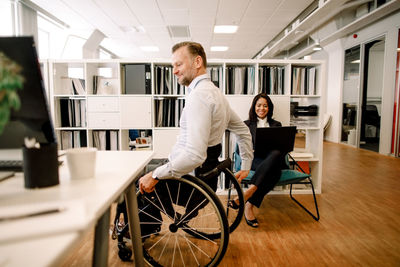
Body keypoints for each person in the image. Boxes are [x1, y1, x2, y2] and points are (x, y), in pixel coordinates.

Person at [139, 41, 253, 202]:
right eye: (173, 66)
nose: (174, 71)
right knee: (145, 165)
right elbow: (243, 131)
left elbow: (195, 156)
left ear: (197, 62)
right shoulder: (216, 94)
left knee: (134, 178)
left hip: (188, 182)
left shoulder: (199, 96)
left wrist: (156, 175)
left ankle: (139, 227)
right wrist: (246, 165)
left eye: (178, 64)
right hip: (204, 177)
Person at [230, 93, 283, 228]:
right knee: (275, 173)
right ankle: (249, 204)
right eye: (259, 105)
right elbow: (241, 147)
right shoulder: (246, 125)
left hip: (272, 159)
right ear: (254, 107)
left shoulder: (277, 125)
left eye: (265, 106)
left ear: (269, 108)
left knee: (276, 154)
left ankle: (248, 196)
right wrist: (250, 150)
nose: (262, 108)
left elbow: (282, 145)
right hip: (254, 160)